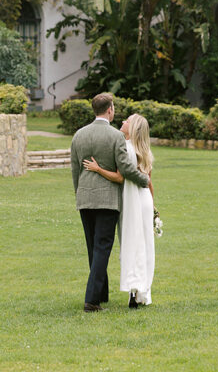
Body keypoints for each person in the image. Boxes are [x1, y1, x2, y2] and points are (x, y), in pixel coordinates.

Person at [70, 93, 149, 312]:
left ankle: (101, 293)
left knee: (92, 248)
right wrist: (144, 179)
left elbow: (75, 169)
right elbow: (124, 168)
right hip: (107, 200)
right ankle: (92, 301)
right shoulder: (115, 137)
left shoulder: (78, 135)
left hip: (85, 198)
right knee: (102, 248)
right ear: (110, 110)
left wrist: (80, 192)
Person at [83, 112, 155, 308]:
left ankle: (134, 291)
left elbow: (120, 177)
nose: (123, 121)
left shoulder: (126, 148)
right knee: (145, 246)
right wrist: (154, 207)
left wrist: (98, 170)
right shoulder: (145, 151)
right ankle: (141, 292)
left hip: (132, 202)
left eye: (127, 121)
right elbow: (149, 182)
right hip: (145, 200)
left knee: (132, 245)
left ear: (133, 128)